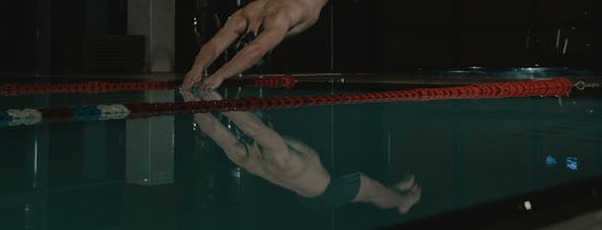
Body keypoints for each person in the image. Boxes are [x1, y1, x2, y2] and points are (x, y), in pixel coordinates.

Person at [182, 0, 420, 90]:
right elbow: (212, 46)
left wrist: (220, 75)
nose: (268, 47)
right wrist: (196, 68)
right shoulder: (243, 17)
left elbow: (254, 50)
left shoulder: (277, 21)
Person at [181, 88, 422, 212]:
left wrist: (190, 96)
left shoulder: (241, 154)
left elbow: (212, 128)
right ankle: (403, 200)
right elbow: (254, 127)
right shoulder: (275, 151)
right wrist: (219, 100)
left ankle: (393, 192)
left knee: (369, 194)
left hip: (309, 196)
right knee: (370, 189)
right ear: (267, 126)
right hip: (329, 190)